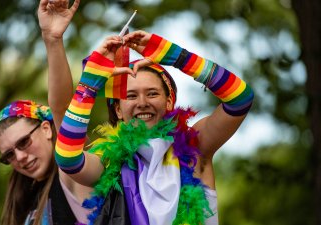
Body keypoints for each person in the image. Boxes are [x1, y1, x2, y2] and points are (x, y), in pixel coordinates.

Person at [54, 30, 254, 225]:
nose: (142, 102)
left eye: (152, 94)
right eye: (131, 96)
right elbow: (67, 159)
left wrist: (177, 57)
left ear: (168, 102)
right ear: (118, 110)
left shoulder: (197, 146)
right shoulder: (109, 163)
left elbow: (240, 99)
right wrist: (89, 86)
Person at [0, 0, 95, 225]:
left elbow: (62, 108)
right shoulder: (25, 203)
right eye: (9, 155)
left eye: (24, 142)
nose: (19, 157)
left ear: (47, 129)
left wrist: (52, 40)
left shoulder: (74, 171)